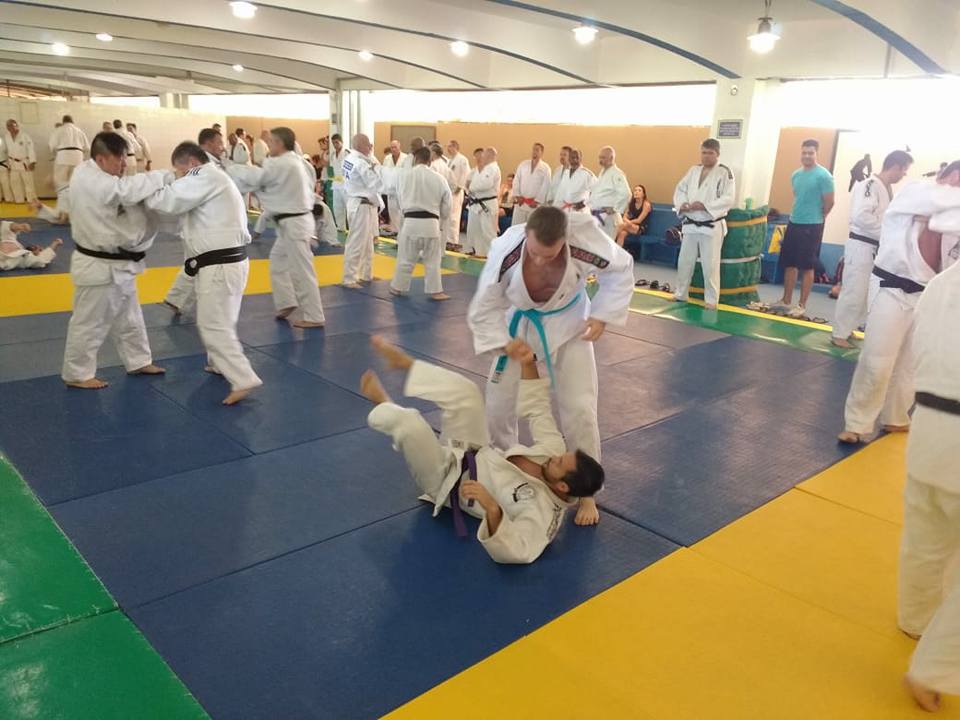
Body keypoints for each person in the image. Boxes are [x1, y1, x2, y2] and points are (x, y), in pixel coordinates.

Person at [361, 335, 605, 564]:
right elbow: (538, 410)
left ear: (562, 487)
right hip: (472, 452)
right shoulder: (554, 452)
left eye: (559, 463)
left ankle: (384, 405)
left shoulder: (543, 514)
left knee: (410, 424)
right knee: (467, 393)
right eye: (562, 455)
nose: (555, 456)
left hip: (445, 481)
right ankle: (407, 365)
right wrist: (528, 363)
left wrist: (492, 508)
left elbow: (521, 550)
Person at [468, 206, 634, 526]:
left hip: (571, 324)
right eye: (534, 252)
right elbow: (484, 306)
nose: (541, 260)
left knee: (580, 408)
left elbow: (621, 267)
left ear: (565, 239)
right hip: (518, 325)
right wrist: (504, 342)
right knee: (498, 404)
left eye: (550, 254)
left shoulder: (583, 239)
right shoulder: (506, 251)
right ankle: (503, 468)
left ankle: (585, 492)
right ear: (526, 234)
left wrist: (602, 314)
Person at [838, 161, 960, 444]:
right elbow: (938, 202)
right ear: (948, 175)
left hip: (928, 296)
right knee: (877, 360)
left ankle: (896, 416)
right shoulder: (915, 191)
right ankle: (857, 423)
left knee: (911, 364)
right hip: (892, 288)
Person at [144, 141, 262, 405]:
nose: (179, 177)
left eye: (180, 171)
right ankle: (219, 363)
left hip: (220, 264)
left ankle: (243, 378)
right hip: (226, 263)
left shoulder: (203, 174)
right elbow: (179, 215)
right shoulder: (214, 179)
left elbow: (169, 201)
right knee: (222, 320)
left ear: (192, 163)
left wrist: (146, 189)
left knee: (212, 324)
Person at [897, 258, 960, 713]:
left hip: (927, 434)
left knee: (925, 538)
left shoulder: (941, 283)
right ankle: (932, 668)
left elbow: (920, 351)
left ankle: (915, 618)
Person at [61, 131, 167, 389]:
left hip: (120, 265)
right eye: (118, 158)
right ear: (100, 159)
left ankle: (138, 361)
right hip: (98, 267)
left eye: (124, 157)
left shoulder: (99, 175)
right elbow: (123, 192)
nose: (123, 163)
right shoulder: (89, 178)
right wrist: (166, 175)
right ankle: (77, 374)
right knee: (89, 323)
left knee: (130, 317)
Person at [228, 126, 326, 329]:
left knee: (301, 270)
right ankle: (286, 302)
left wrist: (228, 168)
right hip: (290, 224)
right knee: (278, 262)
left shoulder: (283, 163)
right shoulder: (291, 161)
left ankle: (314, 315)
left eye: (271, 142)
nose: (268, 145)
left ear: (280, 144)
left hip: (295, 224)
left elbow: (257, 179)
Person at [831, 150, 913, 348]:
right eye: (904, 170)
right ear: (896, 167)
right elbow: (861, 216)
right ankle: (838, 334)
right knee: (854, 291)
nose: (904, 175)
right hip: (861, 245)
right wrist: (888, 232)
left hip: (874, 247)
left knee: (864, 292)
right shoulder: (869, 185)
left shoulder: (885, 188)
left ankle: (848, 328)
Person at [772, 139, 836, 318]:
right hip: (794, 222)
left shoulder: (824, 176)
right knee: (790, 264)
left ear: (816, 154)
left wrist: (820, 217)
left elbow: (830, 202)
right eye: (804, 152)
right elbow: (798, 197)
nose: (807, 156)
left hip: (812, 225)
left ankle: (801, 305)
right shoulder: (796, 175)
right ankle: (786, 300)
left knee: (807, 266)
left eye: (811, 153)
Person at [672, 138, 736, 310]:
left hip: (711, 224)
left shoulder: (724, 172)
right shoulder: (694, 170)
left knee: (710, 265)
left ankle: (711, 300)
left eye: (710, 153)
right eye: (704, 152)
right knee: (684, 262)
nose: (706, 156)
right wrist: (683, 204)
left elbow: (729, 198)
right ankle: (680, 294)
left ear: (717, 154)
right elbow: (680, 189)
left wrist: (706, 206)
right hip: (691, 223)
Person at [389, 146, 451, 300]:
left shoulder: (404, 176)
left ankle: (397, 288)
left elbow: (397, 200)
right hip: (431, 224)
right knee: (433, 261)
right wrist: (442, 218)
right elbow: (447, 204)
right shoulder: (439, 178)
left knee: (405, 259)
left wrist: (404, 211)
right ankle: (436, 291)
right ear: (430, 160)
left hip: (410, 222)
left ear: (415, 159)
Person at [340, 132, 382, 288]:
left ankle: (366, 274)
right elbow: (375, 183)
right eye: (368, 144)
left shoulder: (349, 159)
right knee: (356, 242)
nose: (370, 147)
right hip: (361, 204)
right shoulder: (360, 162)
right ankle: (349, 278)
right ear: (361, 145)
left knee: (368, 242)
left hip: (360, 203)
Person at [463, 147, 501, 258]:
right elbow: (467, 183)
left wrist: (471, 187)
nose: (482, 157)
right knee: (477, 230)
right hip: (476, 203)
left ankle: (493, 255)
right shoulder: (484, 169)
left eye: (484, 155)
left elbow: (485, 184)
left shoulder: (493, 168)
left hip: (487, 204)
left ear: (489, 155)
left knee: (488, 231)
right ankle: (480, 252)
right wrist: (470, 188)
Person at [590, 145, 631, 239]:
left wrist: (615, 208)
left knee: (606, 245)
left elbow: (626, 193)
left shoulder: (616, 173)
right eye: (599, 157)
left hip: (608, 218)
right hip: (599, 216)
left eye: (603, 157)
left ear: (611, 158)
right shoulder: (603, 172)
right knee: (598, 244)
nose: (600, 160)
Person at [511, 142, 551, 226]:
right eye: (533, 149)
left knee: (533, 228)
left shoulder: (545, 168)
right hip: (521, 202)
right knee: (516, 227)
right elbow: (516, 180)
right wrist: (517, 195)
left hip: (534, 205)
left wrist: (537, 201)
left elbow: (546, 185)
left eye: (537, 150)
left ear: (542, 152)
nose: (534, 152)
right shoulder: (523, 164)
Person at [48, 115, 88, 189]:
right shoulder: (79, 131)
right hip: (78, 157)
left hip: (63, 157)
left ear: (63, 122)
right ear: (72, 121)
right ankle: (75, 195)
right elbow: (87, 148)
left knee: (61, 181)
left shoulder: (59, 130)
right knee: (76, 181)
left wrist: (54, 154)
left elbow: (52, 145)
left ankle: (63, 195)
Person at [551, 148, 594, 214]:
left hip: (581, 212)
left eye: (577, 158)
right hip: (566, 210)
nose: (575, 160)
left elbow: (597, 191)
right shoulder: (566, 173)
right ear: (569, 159)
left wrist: (584, 203)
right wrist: (555, 209)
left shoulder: (587, 174)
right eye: (572, 158)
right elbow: (560, 193)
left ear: (581, 159)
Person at [4, 119, 37, 203]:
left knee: (28, 182)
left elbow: (31, 149)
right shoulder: (7, 137)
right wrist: (8, 165)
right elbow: (7, 151)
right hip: (13, 163)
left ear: (16, 125)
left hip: (24, 162)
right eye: (8, 126)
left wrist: (32, 162)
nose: (10, 127)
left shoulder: (25, 136)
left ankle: (31, 200)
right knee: (14, 182)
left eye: (12, 125)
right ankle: (19, 200)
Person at [445, 139, 470, 249]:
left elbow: (465, 174)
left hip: (457, 192)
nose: (448, 148)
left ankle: (453, 241)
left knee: (454, 217)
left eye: (450, 146)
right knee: (448, 216)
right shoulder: (449, 160)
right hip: (449, 191)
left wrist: (460, 187)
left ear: (455, 147)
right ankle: (448, 239)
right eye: (447, 146)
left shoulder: (462, 159)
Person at [381, 140, 407, 232]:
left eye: (395, 147)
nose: (393, 149)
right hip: (391, 189)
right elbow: (384, 172)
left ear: (399, 147)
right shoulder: (387, 158)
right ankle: (395, 231)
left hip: (402, 189)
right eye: (392, 147)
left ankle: (402, 231)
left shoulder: (406, 158)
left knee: (402, 211)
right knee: (392, 211)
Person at [329, 133, 348, 231]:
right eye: (333, 143)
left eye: (337, 142)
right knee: (337, 206)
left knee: (349, 207)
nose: (335, 145)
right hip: (336, 184)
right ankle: (340, 227)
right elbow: (332, 169)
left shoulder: (347, 153)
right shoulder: (332, 155)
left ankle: (353, 228)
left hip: (346, 184)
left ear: (342, 142)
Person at [0, 132, 13, 202]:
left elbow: (8, 152)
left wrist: (9, 164)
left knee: (5, 182)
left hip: (3, 164)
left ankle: (8, 198)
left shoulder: (2, 141)